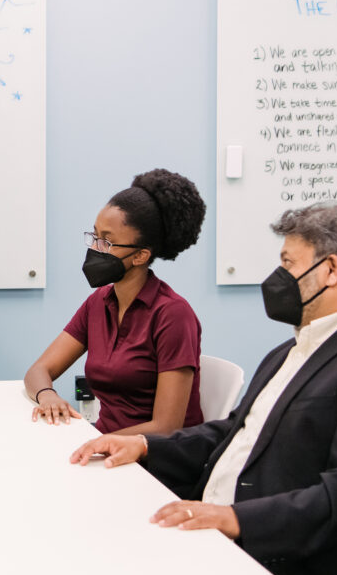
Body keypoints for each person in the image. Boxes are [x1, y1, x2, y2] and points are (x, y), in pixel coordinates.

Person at [73, 203, 337, 575]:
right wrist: (144, 446)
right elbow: (233, 432)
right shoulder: (295, 347)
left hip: (296, 572)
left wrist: (233, 519)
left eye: (288, 263)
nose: (277, 277)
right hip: (225, 540)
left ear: (331, 270)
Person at [24, 169, 207, 435]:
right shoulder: (98, 304)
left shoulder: (173, 314)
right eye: (95, 236)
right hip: (105, 444)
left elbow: (167, 427)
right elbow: (39, 370)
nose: (96, 247)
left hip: (157, 459)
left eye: (107, 242)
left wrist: (94, 441)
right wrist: (47, 395)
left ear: (141, 256)